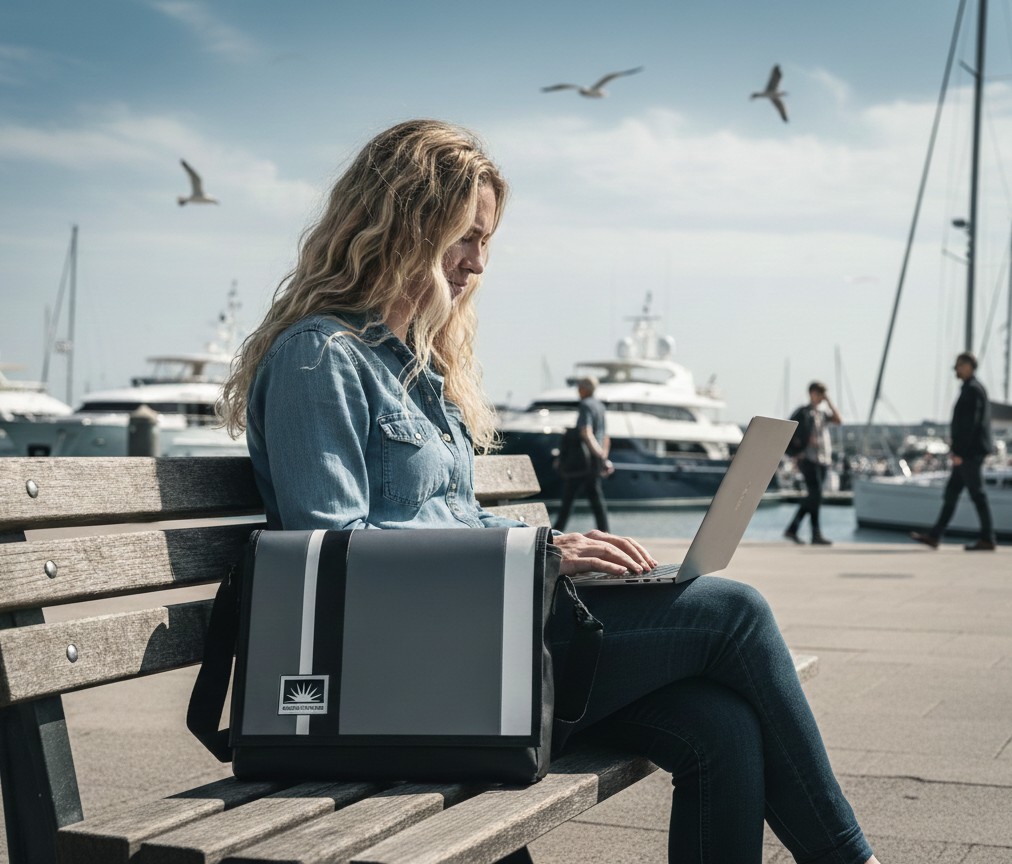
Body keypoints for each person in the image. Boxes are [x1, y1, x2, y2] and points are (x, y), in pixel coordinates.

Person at [219, 119, 879, 864]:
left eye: (486, 243)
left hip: (483, 646)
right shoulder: (321, 358)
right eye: (462, 237)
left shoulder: (417, 367)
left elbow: (450, 519)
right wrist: (536, 555)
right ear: (403, 224)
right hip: (417, 666)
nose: (475, 262)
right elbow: (330, 553)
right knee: (733, 613)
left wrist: (557, 563)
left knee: (719, 726)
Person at [911, 352, 996, 551]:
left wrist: (960, 452)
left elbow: (970, 424)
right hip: (966, 453)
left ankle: (988, 538)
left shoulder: (973, 390)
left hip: (969, 454)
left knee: (978, 495)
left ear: (968, 366)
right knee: (951, 494)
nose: (955, 369)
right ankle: (935, 535)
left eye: (958, 365)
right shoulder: (971, 388)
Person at [784, 381, 842, 546]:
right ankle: (814, 534)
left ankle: (794, 529)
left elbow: (838, 420)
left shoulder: (822, 414)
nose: (822, 397)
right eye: (820, 393)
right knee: (815, 495)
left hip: (824, 459)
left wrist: (829, 401)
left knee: (814, 497)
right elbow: (789, 430)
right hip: (808, 459)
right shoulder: (803, 413)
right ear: (811, 393)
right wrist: (802, 443)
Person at [553, 375, 613, 532]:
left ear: (585, 389)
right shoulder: (600, 406)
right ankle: (605, 532)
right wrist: (603, 457)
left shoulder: (585, 405)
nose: (578, 391)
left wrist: (597, 454)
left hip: (583, 460)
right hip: (595, 460)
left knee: (569, 498)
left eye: (579, 388)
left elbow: (586, 431)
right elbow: (605, 436)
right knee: (596, 499)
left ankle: (556, 532)